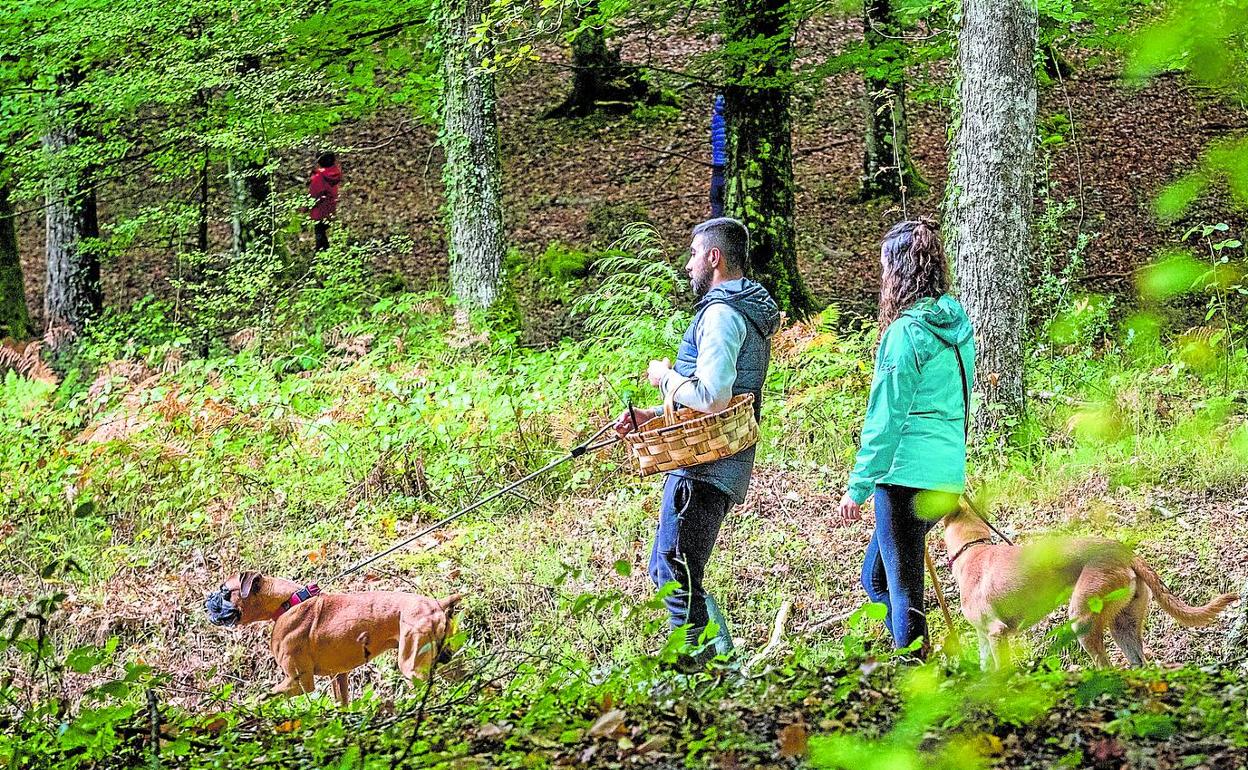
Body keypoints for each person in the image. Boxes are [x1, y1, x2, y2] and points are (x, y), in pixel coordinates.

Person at [615, 217, 780, 662]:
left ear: (714, 258)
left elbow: (711, 395)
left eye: (693, 255)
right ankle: (721, 661)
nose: (688, 266)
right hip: (714, 461)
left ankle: (694, 674)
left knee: (674, 572)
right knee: (668, 567)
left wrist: (664, 377)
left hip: (704, 467)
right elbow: (717, 397)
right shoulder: (742, 309)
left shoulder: (724, 313)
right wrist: (652, 416)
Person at [837, 219, 976, 659]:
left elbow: (885, 419)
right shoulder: (960, 324)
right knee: (877, 579)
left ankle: (917, 677)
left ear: (897, 272)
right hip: (946, 476)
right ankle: (922, 656)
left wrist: (858, 486)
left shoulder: (904, 334)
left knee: (902, 591)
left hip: (903, 478)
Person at [308, 151, 342, 252]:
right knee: (324, 234)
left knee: (320, 236)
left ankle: (322, 258)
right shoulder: (334, 173)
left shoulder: (319, 177)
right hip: (330, 209)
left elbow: (314, 196)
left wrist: (305, 207)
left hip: (319, 212)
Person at [709, 95, 727, 218]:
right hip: (726, 164)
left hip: (717, 163)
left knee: (716, 198)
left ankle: (716, 220)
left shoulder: (716, 117)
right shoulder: (731, 118)